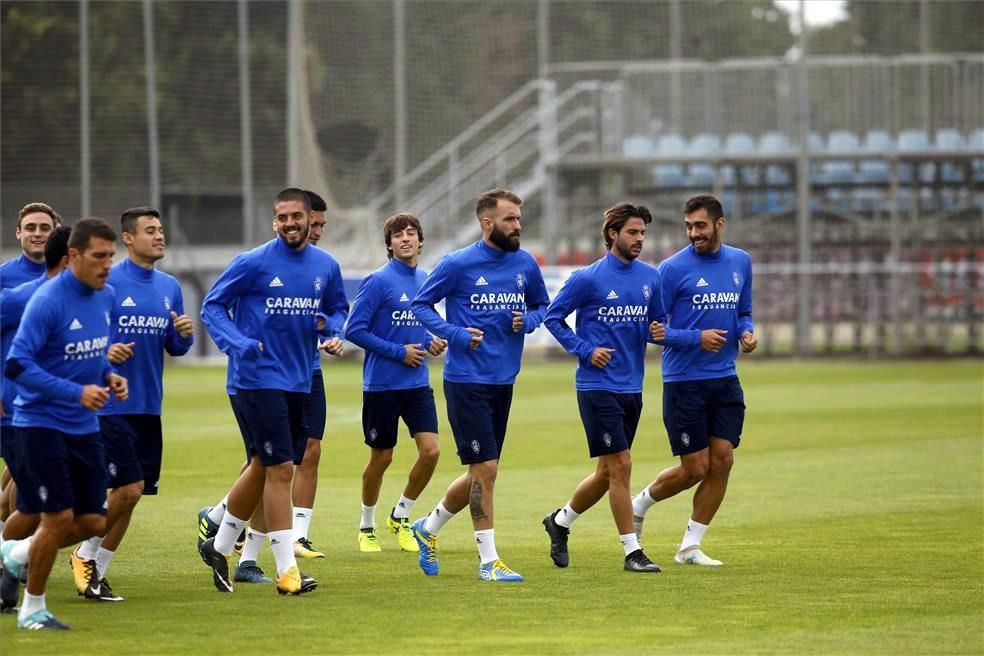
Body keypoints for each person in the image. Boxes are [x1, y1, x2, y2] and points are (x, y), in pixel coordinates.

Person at [198, 188, 347, 595]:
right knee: (281, 468)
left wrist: (329, 328)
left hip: (299, 379)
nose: (290, 224)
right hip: (256, 379)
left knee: (264, 465)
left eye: (296, 217)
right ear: (274, 221)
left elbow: (338, 309)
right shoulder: (252, 263)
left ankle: (221, 544)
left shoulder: (326, 266)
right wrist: (237, 342)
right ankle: (287, 573)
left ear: (308, 218)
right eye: (282, 218)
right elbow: (212, 307)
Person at [409, 188, 549, 582]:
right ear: (488, 224)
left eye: (518, 219)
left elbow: (542, 306)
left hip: (504, 379)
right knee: (485, 468)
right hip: (466, 379)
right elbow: (421, 305)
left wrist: (529, 320)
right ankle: (488, 561)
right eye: (509, 219)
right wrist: (454, 333)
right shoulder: (458, 263)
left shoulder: (525, 263)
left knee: (481, 472)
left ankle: (428, 527)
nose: (517, 225)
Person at [1, 218, 128, 630]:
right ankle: (32, 609)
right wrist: (75, 393)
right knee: (56, 518)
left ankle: (14, 554)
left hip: (83, 426)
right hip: (39, 424)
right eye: (98, 256)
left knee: (93, 520)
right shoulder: (46, 299)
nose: (107, 264)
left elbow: (90, 353)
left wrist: (109, 374)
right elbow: (18, 365)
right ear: (73, 256)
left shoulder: (106, 296)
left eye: (111, 255)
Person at [66, 208, 194, 602]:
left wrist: (184, 337)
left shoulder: (170, 286)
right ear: (127, 238)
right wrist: (107, 353)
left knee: (132, 497)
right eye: (150, 230)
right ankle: (74, 553)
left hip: (148, 407)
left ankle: (96, 573)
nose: (159, 236)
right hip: (109, 405)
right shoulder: (106, 282)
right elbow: (77, 339)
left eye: (160, 230)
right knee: (128, 488)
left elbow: (174, 346)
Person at [541, 203, 669, 573]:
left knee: (606, 473)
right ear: (612, 234)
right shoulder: (588, 278)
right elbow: (553, 317)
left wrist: (659, 334)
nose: (639, 239)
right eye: (632, 232)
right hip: (596, 387)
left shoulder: (651, 277)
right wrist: (584, 349)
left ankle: (559, 522)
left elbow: (654, 325)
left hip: (633, 386)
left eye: (643, 233)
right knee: (623, 465)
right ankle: (633, 552)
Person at [630, 193, 757, 567]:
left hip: (725, 379)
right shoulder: (670, 270)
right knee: (695, 469)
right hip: (684, 380)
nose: (693, 233)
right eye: (688, 227)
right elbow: (652, 329)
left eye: (700, 226)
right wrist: (695, 338)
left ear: (720, 224)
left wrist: (747, 332)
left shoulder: (740, 261)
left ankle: (689, 546)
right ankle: (641, 503)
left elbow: (744, 310)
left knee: (723, 461)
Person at [344, 213, 446, 553]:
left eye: (411, 233)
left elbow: (426, 327)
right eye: (398, 234)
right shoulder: (377, 282)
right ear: (389, 244)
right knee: (382, 458)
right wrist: (397, 352)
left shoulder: (427, 280)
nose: (405, 238)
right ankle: (366, 525)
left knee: (431, 452)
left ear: (420, 241)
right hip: (382, 386)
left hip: (417, 384)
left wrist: (432, 341)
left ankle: (400, 516)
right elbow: (354, 330)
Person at [0, 226, 72, 560]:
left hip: (67, 416)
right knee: (32, 503)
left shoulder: (89, 297)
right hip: (22, 411)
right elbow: (18, 361)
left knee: (33, 495)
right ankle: (13, 561)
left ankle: (14, 558)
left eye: (46, 226)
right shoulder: (20, 294)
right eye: (31, 226)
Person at [0, 202, 60, 290]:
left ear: (55, 233)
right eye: (30, 228)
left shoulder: (69, 275)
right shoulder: (2, 275)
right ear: (18, 233)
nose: (38, 234)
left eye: (45, 228)